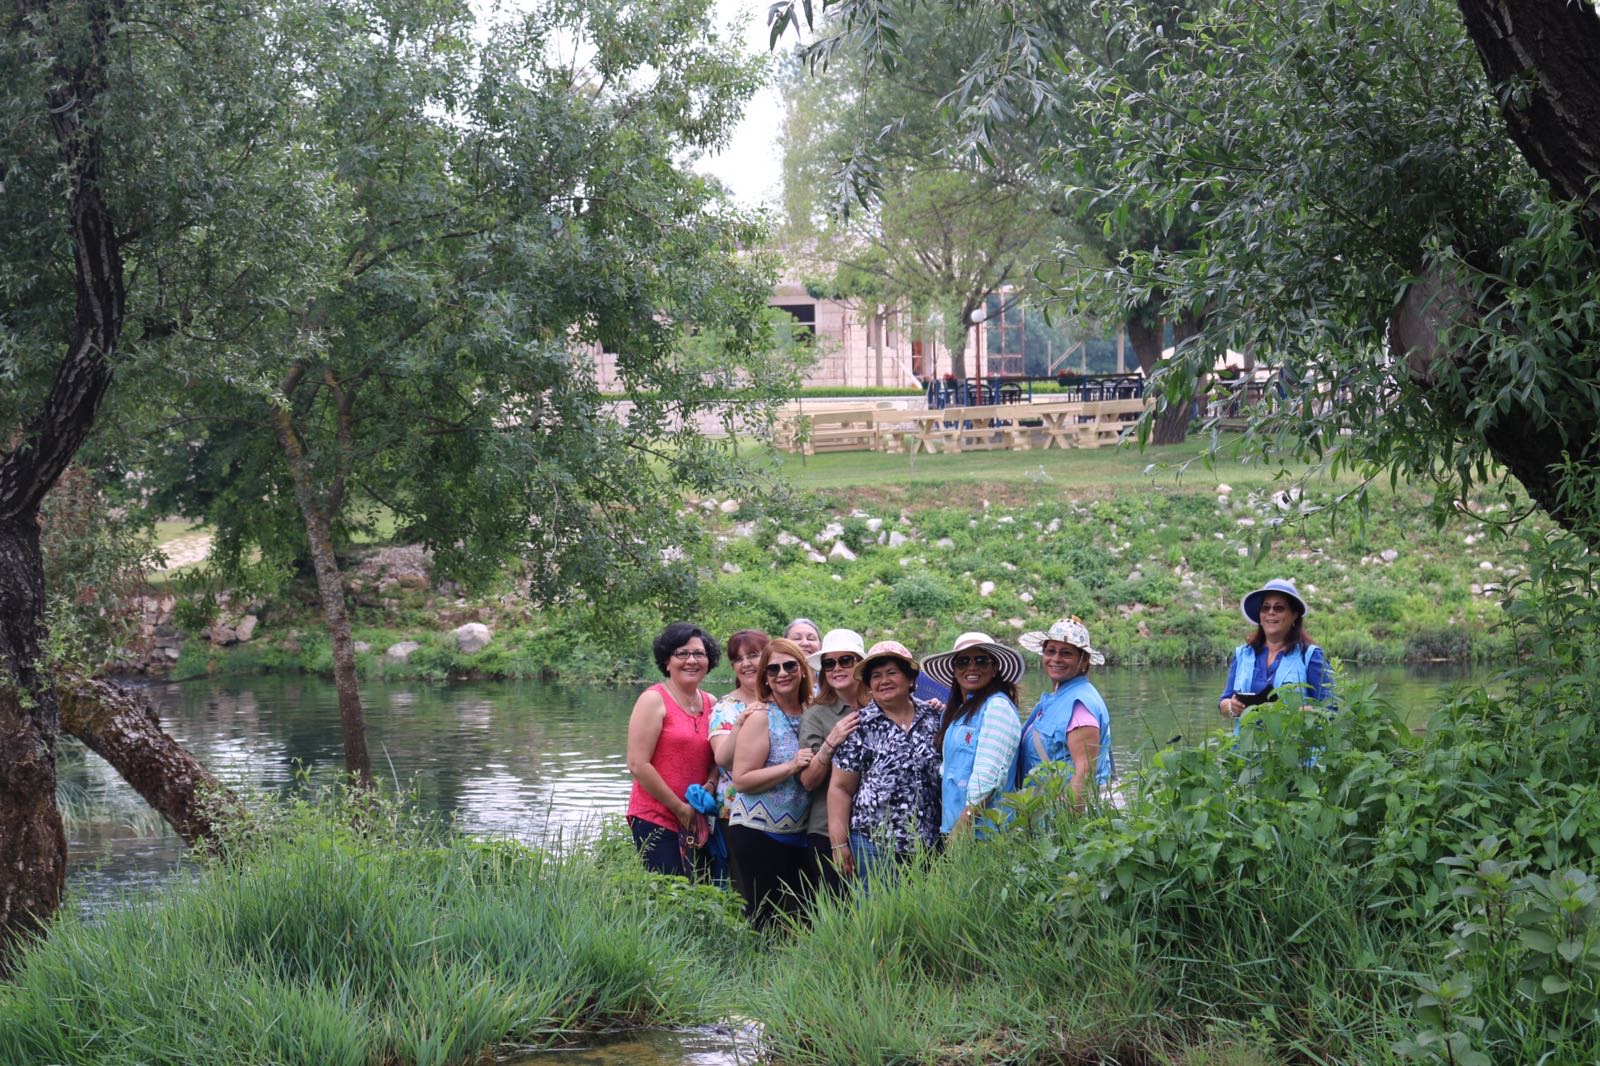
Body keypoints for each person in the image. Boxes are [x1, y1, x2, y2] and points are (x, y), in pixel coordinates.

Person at [827, 641, 942, 888]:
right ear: (869, 685)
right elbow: (840, 788)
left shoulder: (934, 718)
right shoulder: (859, 726)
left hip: (928, 843)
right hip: (873, 844)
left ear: (911, 680)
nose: (884, 681)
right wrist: (838, 844)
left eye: (892, 673)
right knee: (878, 918)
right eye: (876, 676)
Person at [728, 638, 818, 928]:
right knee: (763, 921)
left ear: (802, 669)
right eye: (773, 669)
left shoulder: (813, 710)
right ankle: (752, 972)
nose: (782, 673)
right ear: (764, 678)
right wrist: (790, 766)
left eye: (789, 665)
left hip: (800, 832)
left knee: (804, 919)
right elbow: (741, 779)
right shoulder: (761, 716)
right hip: (758, 831)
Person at [625, 623, 719, 877]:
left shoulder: (712, 703)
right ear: (667, 661)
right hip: (656, 817)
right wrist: (679, 809)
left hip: (699, 817)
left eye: (699, 654)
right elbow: (637, 764)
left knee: (703, 894)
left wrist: (710, 784)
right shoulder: (654, 699)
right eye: (682, 653)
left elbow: (718, 756)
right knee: (670, 895)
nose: (691, 660)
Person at [922, 632, 1025, 836]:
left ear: (995, 668)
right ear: (954, 669)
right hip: (955, 827)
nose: (972, 667)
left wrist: (963, 827)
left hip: (984, 833)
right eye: (963, 661)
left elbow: (988, 776)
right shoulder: (956, 712)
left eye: (981, 660)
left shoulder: (997, 707)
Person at [798, 629, 869, 890]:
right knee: (837, 912)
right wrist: (831, 742)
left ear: (860, 665)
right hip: (827, 829)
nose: (836, 668)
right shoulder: (816, 715)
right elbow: (808, 781)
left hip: (877, 830)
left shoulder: (881, 704)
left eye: (845, 661)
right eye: (829, 663)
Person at [1017, 617, 1114, 807]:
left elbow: (1084, 773)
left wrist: (1068, 831)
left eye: (1066, 653)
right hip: (1042, 815)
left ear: (1084, 661)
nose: (1056, 659)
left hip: (1061, 819)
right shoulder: (1059, 697)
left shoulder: (1080, 704)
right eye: (1050, 651)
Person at [1218, 578, 1332, 733]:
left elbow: (1330, 709)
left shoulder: (1310, 656)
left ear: (1294, 616)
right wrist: (1231, 706)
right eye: (1265, 608)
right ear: (1259, 616)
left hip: (1295, 751)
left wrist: (1294, 713)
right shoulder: (1243, 654)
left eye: (1279, 608)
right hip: (1246, 752)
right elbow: (1224, 702)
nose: (1271, 612)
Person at [708, 629, 769, 885]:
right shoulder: (726, 707)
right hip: (736, 810)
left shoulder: (784, 698)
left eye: (753, 655)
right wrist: (742, 722)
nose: (746, 664)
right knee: (744, 887)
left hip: (783, 808)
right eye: (738, 659)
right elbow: (723, 759)